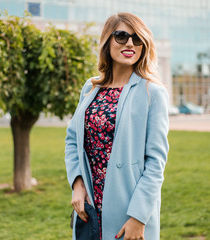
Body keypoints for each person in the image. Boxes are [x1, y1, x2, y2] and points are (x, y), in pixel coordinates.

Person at [65, 12, 169, 240]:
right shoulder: (91, 88)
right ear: (107, 41)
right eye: (121, 36)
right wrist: (78, 183)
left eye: (137, 38)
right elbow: (73, 140)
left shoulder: (153, 93)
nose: (130, 43)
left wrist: (139, 217)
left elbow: (155, 163)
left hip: (128, 211)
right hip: (89, 208)